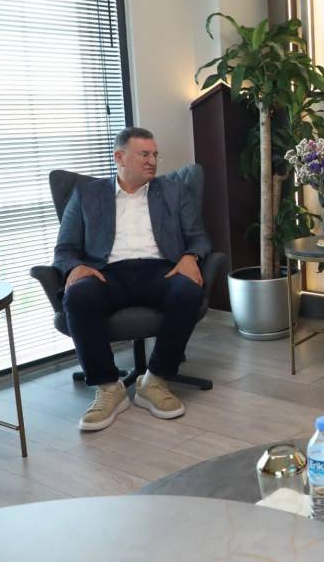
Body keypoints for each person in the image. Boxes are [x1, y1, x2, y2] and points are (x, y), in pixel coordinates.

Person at [55, 127, 210, 432]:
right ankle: (108, 388)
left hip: (160, 270)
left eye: (155, 155)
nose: (152, 161)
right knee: (77, 295)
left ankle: (155, 381)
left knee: (189, 291)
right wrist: (74, 267)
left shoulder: (174, 191)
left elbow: (199, 237)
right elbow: (65, 248)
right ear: (120, 157)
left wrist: (191, 257)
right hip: (107, 273)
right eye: (144, 154)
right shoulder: (87, 194)